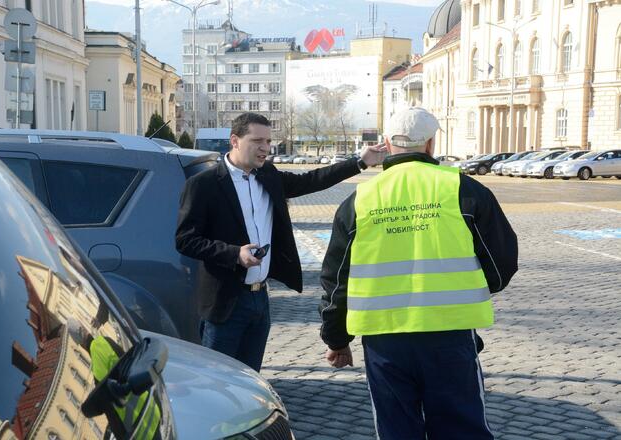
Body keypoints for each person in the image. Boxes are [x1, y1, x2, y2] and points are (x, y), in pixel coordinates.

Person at [319, 107, 518, 439]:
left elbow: (337, 279)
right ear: (430, 144)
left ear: (386, 143)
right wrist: (469, 286)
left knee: (396, 429)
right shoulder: (463, 189)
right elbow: (502, 264)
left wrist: (337, 339)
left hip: (384, 340)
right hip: (450, 333)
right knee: (461, 428)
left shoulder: (360, 200)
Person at [176, 112, 386, 372]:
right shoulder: (204, 184)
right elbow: (186, 240)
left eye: (268, 141)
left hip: (260, 299)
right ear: (235, 140)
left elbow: (312, 180)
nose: (265, 148)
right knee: (219, 381)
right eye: (257, 141)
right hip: (225, 303)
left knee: (252, 377)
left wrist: (360, 162)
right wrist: (234, 254)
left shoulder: (268, 175)